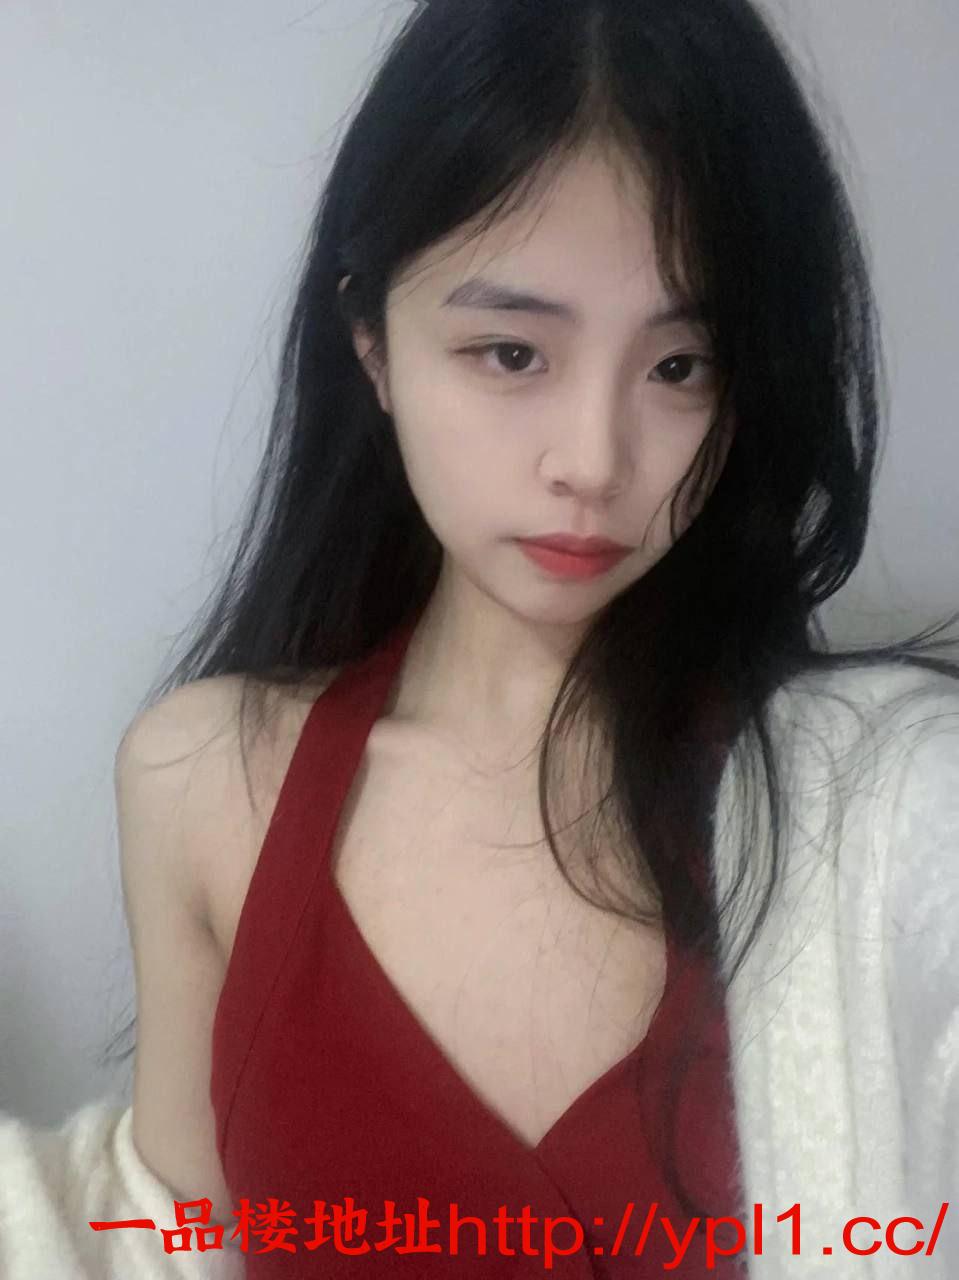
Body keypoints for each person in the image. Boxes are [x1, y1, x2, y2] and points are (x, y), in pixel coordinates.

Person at [101, 0, 959, 1276]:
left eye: (680, 367)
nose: (593, 462)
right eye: (511, 352)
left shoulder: (877, 819)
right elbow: (170, 1248)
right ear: (371, 344)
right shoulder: (202, 782)